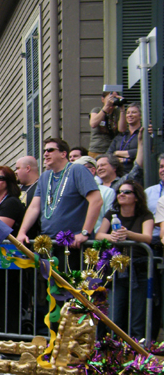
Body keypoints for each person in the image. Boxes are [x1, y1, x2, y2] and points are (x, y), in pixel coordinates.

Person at [16, 138, 102, 258]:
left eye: (50, 150)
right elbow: (34, 208)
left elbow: (96, 201)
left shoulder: (77, 170)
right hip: (48, 242)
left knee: (69, 277)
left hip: (72, 243)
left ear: (63, 154)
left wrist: (84, 232)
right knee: (46, 276)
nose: (46, 154)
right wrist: (22, 232)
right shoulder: (45, 176)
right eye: (44, 151)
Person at [95, 181, 153, 339]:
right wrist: (111, 236)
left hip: (138, 268)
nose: (121, 194)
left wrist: (127, 234)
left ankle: (136, 353)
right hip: (116, 270)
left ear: (136, 197)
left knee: (137, 314)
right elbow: (99, 235)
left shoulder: (145, 215)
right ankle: (112, 351)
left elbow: (147, 237)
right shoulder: (112, 214)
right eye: (120, 191)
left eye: (127, 192)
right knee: (114, 314)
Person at [0, 166, 24, 333]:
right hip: (0, 262)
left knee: (8, 303)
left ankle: (10, 340)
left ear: (9, 182)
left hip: (11, 261)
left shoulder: (11, 202)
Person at [73, 156, 115, 233]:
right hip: (74, 239)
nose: (77, 173)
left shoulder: (107, 191)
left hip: (96, 239)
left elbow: (108, 218)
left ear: (92, 170)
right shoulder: (72, 193)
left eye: (81, 169)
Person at [88, 91, 125, 156]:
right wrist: (106, 107)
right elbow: (93, 124)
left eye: (115, 98)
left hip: (113, 150)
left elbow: (122, 130)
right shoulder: (97, 110)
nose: (112, 100)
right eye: (110, 98)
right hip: (97, 150)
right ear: (103, 99)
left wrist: (122, 109)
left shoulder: (117, 112)